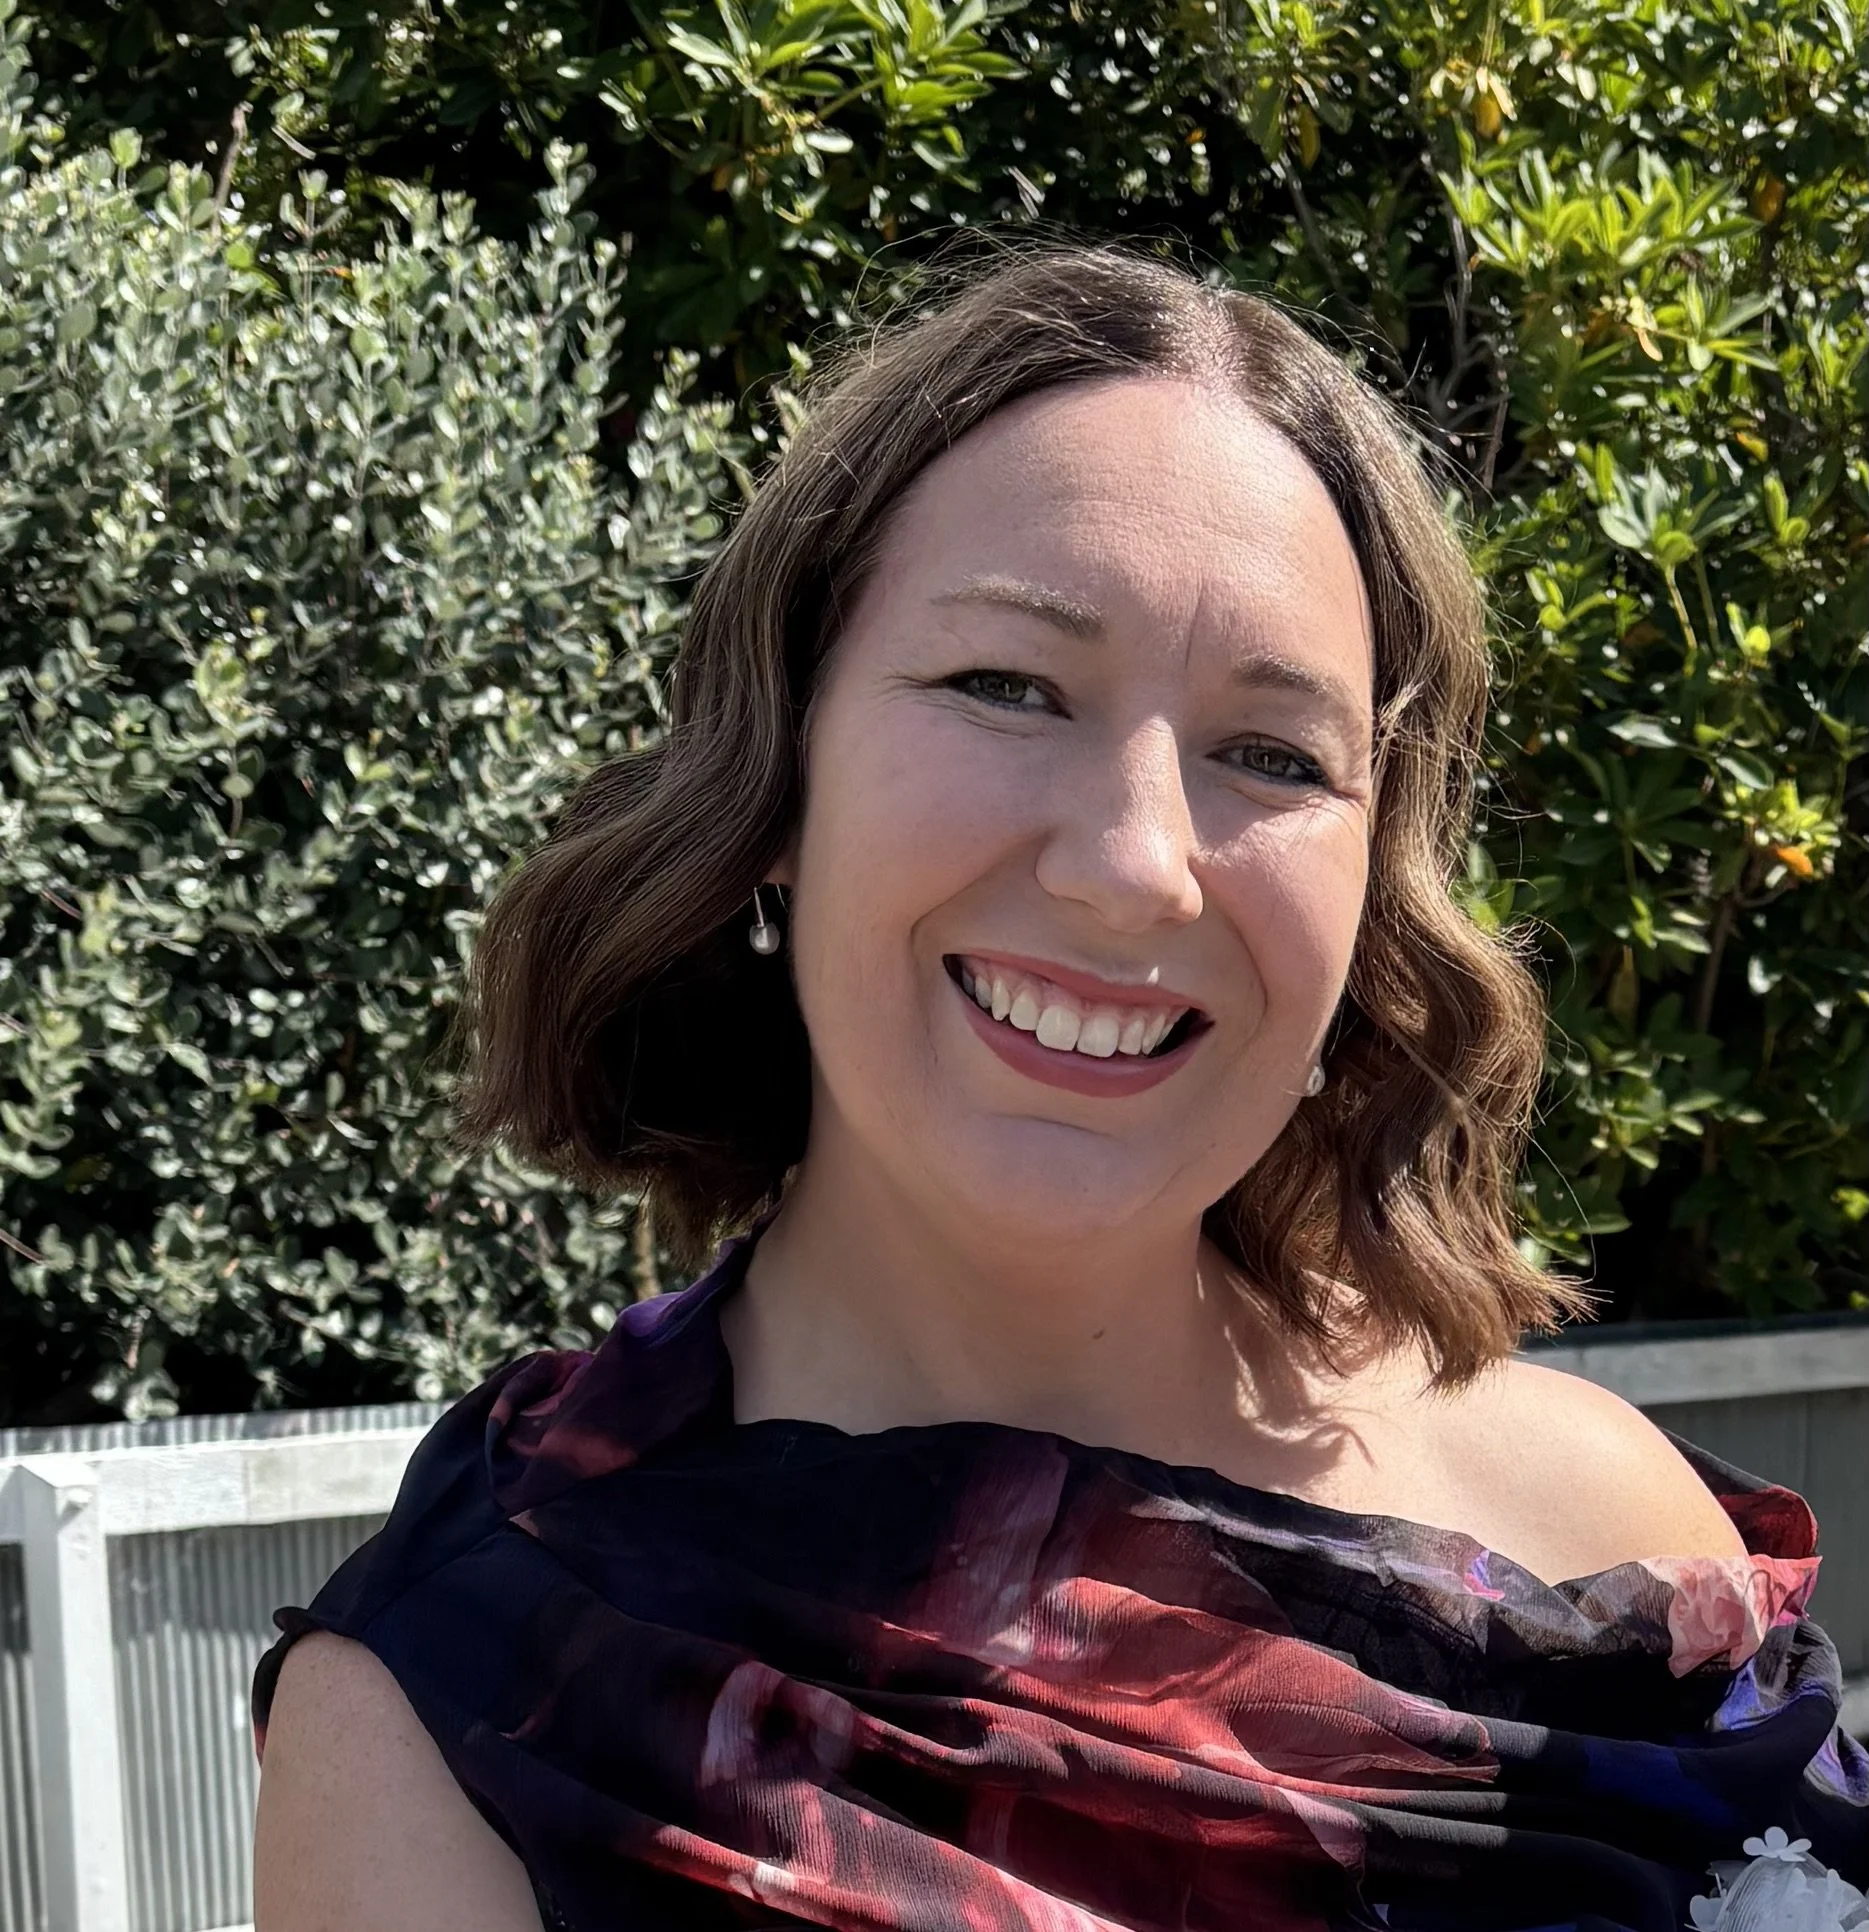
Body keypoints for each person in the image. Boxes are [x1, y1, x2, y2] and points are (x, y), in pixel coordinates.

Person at [250, 244, 1869, 1932]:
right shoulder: (456, 1708)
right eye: (1006, 687)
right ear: (779, 779)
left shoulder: (1593, 1538)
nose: (1135, 866)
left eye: (1271, 755)